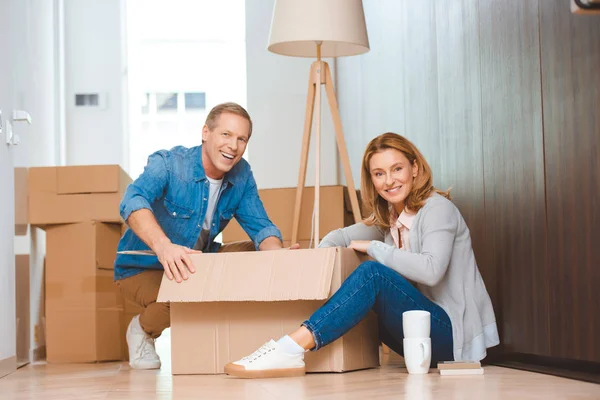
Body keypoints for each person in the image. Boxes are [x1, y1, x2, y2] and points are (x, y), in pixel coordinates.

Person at [224, 132, 499, 379]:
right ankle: (296, 347)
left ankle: (290, 347)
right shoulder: (390, 219)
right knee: (363, 273)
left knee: (373, 273)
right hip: (418, 336)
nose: (389, 181)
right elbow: (339, 237)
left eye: (397, 169)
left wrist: (375, 249)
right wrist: (320, 263)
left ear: (415, 168)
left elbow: (431, 270)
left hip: (452, 336)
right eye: (379, 174)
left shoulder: (438, 210)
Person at [114, 102, 295, 370]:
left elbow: (261, 228)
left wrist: (277, 256)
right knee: (185, 293)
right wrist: (164, 247)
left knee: (256, 255)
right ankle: (142, 329)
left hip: (198, 261)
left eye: (241, 138)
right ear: (205, 133)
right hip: (142, 266)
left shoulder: (241, 174)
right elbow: (132, 200)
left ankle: (245, 337)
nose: (233, 146)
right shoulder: (170, 164)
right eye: (226, 134)